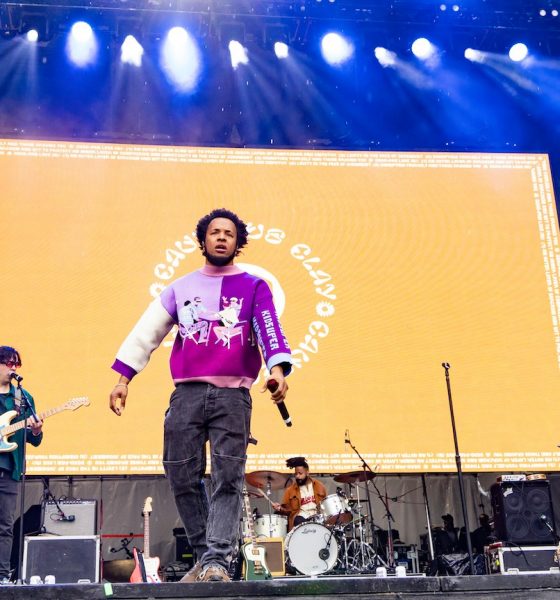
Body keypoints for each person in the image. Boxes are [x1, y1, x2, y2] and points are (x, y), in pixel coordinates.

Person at [109, 208, 291, 583]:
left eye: (229, 233)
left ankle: (216, 564)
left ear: (238, 243)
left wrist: (277, 371)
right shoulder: (180, 287)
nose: (221, 237)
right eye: (214, 232)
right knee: (178, 471)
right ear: (203, 241)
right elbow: (148, 331)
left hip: (233, 397)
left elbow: (269, 327)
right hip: (187, 395)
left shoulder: (255, 287)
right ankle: (210, 557)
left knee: (227, 478)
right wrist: (123, 378)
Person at [0, 346, 43, 584]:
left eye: (16, 364)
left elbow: (34, 440)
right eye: (8, 363)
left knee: (5, 526)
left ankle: (2, 576)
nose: (13, 368)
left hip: (9, 470)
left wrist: (36, 430)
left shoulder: (23, 398)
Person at [272, 457, 327, 531]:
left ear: (307, 472)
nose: (297, 476)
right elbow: (287, 509)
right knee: (298, 521)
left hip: (317, 517)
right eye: (296, 474)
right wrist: (279, 508)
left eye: (300, 473)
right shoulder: (290, 490)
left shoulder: (319, 486)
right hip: (301, 518)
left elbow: (325, 505)